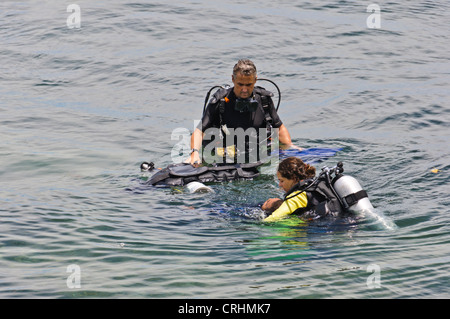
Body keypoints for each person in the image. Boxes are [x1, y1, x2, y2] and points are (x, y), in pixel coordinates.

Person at [189, 59, 301, 166]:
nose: (244, 89)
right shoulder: (220, 101)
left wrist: (289, 146)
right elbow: (199, 131)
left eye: (248, 85)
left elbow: (279, 127)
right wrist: (195, 153)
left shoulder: (263, 99)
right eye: (240, 84)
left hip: (259, 153)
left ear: (255, 80)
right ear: (233, 79)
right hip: (227, 155)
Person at [262, 157, 316, 222]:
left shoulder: (297, 197)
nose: (279, 185)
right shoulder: (312, 185)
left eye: (282, 181)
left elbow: (273, 218)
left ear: (294, 178)